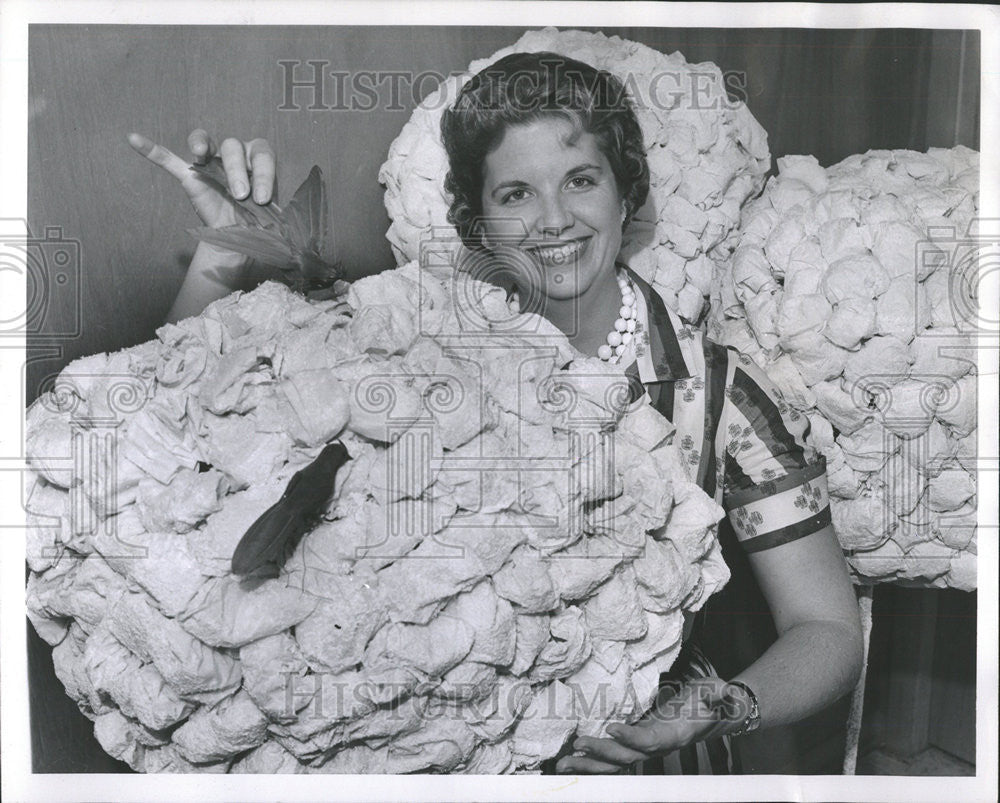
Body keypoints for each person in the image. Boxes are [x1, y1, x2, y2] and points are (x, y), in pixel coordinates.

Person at [127, 50, 863, 774]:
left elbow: (827, 629)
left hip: (640, 754)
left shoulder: (719, 390)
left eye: (581, 180)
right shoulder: (406, 342)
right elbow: (178, 434)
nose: (553, 221)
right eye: (515, 194)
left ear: (624, 193)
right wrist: (226, 252)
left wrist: (719, 704)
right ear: (477, 220)